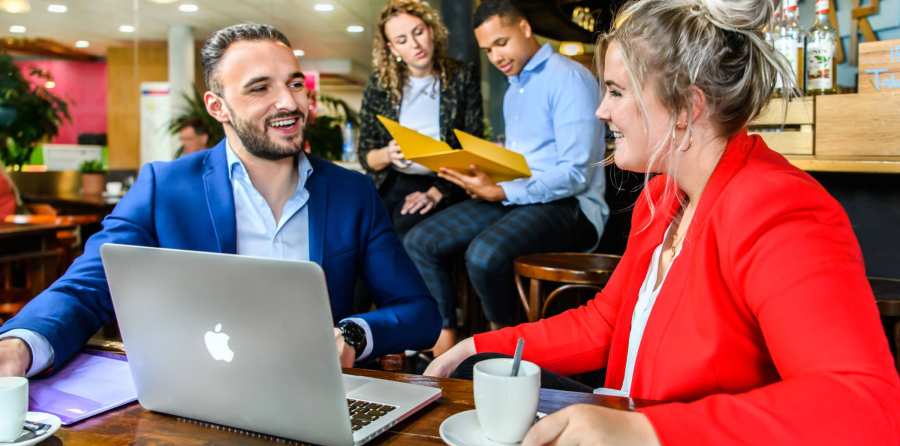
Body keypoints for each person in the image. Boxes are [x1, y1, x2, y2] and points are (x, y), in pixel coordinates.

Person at [425, 0, 900, 446]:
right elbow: (607, 322)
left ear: (685, 108)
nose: (600, 110)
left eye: (615, 91)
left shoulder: (776, 205)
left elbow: (864, 404)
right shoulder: (664, 194)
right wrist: (481, 344)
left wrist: (653, 438)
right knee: (486, 370)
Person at [0, 23, 441, 378]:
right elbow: (87, 288)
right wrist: (19, 345)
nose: (289, 102)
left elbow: (420, 313)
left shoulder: (352, 192)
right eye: (259, 88)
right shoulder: (164, 188)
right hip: (195, 401)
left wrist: (354, 335)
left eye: (294, 84)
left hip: (319, 396)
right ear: (218, 107)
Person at [403, 0, 608, 355]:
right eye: (487, 50)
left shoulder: (569, 77)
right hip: (519, 196)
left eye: (501, 43)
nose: (496, 57)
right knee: (420, 240)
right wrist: (483, 173)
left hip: (572, 205)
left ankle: (508, 350)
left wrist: (502, 191)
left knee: (484, 255)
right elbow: (522, 162)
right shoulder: (514, 89)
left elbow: (575, 174)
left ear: (525, 28)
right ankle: (443, 338)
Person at [357, 0, 483, 240]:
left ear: (431, 30)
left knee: (404, 229)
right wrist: (388, 154)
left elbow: (472, 148)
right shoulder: (380, 85)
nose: (415, 45)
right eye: (402, 40)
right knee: (364, 237)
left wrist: (437, 192)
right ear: (393, 49)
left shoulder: (461, 77)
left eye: (418, 32)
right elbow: (366, 155)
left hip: (443, 182)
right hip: (391, 182)